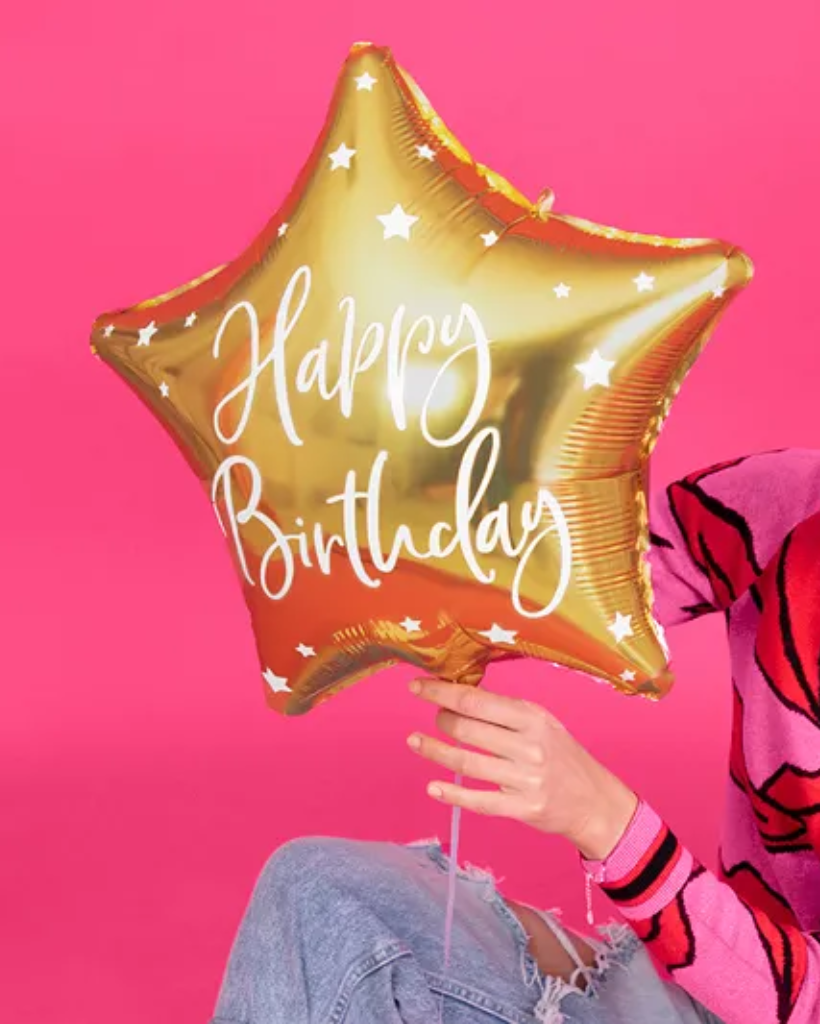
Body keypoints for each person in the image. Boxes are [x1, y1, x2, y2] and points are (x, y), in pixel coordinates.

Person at [208, 449, 820, 1024]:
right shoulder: (790, 504)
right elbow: (564, 586)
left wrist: (608, 823)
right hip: (711, 996)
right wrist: (384, 506)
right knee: (320, 893)